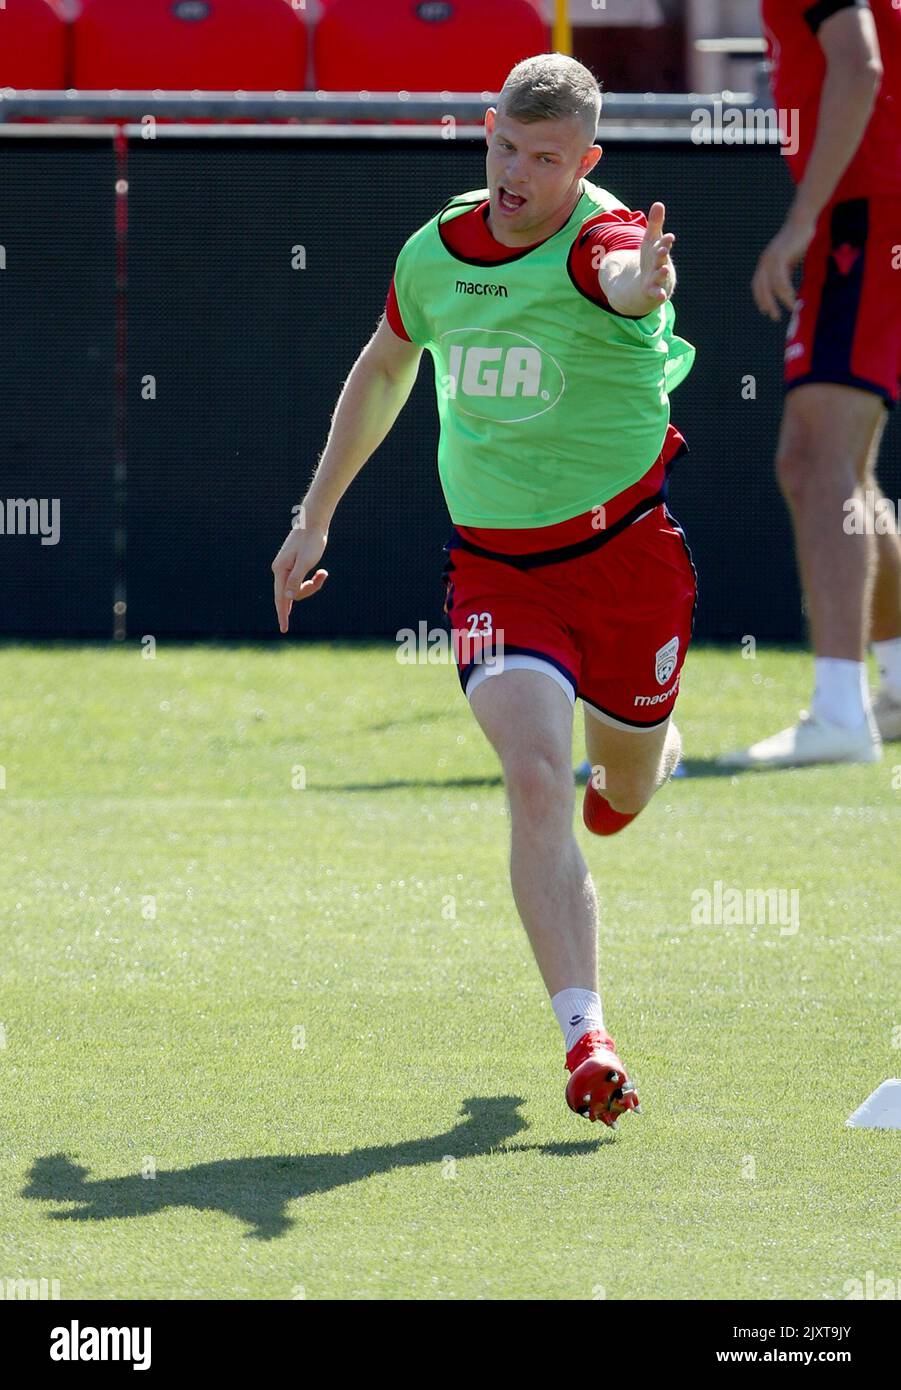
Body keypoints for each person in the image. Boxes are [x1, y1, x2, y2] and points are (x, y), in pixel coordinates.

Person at [271, 53, 697, 1128]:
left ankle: (645, 760)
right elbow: (385, 364)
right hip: (499, 574)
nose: (515, 173)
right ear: (488, 129)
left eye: (544, 159)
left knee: (625, 789)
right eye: (504, 144)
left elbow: (617, 272)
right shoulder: (436, 250)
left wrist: (642, 284)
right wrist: (312, 514)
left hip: (629, 559)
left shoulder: (603, 239)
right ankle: (585, 1033)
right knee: (538, 776)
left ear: (584, 164)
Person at [720, 0, 901, 769]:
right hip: (867, 209)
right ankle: (888, 686)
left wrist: (802, 219)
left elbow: (859, 65)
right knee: (837, 466)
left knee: (816, 460)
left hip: (867, 214)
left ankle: (838, 711)